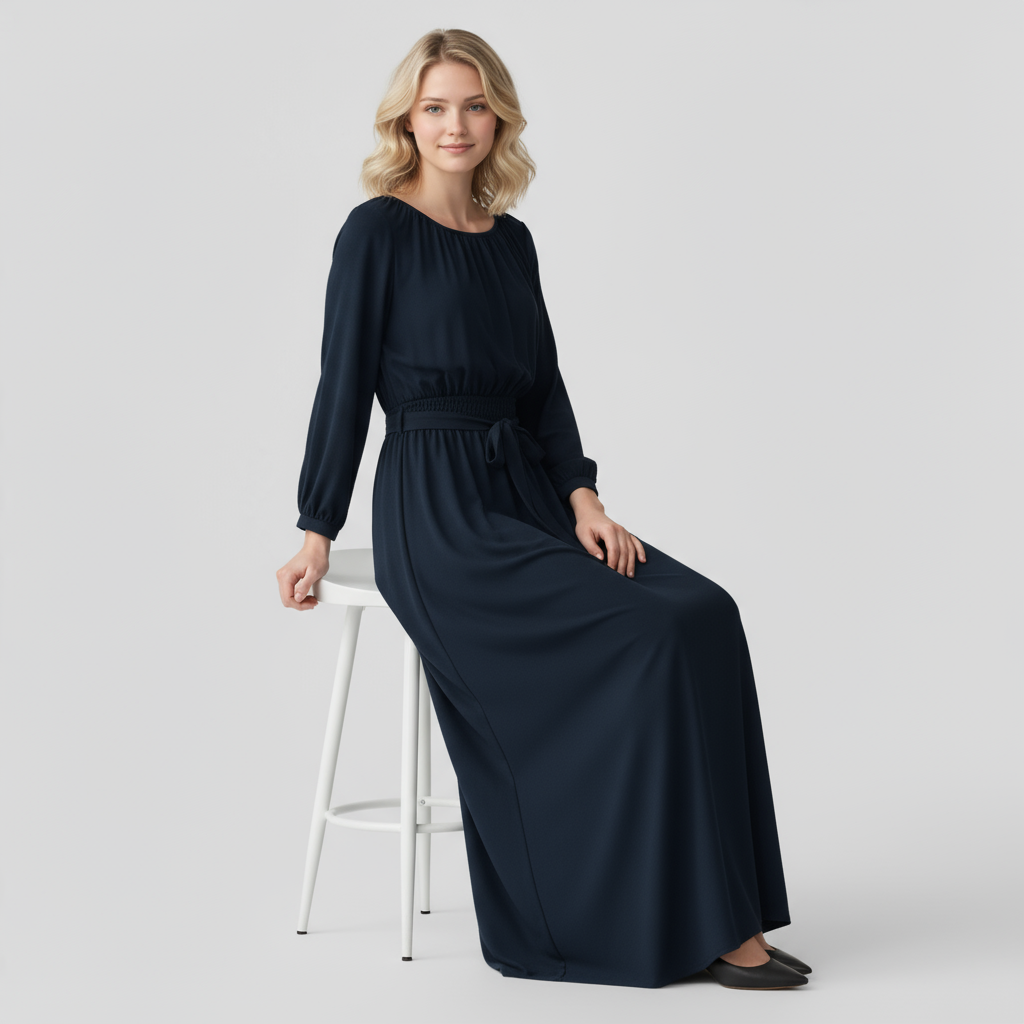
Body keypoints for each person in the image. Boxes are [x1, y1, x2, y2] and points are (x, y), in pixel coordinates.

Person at [276, 28, 811, 991]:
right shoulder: (375, 233)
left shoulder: (511, 242)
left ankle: (716, 906)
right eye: (435, 107)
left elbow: (545, 390)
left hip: (525, 494)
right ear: (407, 120)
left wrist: (584, 498)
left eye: (474, 105)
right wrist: (317, 530)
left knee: (704, 613)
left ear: (499, 120)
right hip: (438, 514)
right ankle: (684, 926)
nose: (455, 124)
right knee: (650, 637)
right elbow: (342, 386)